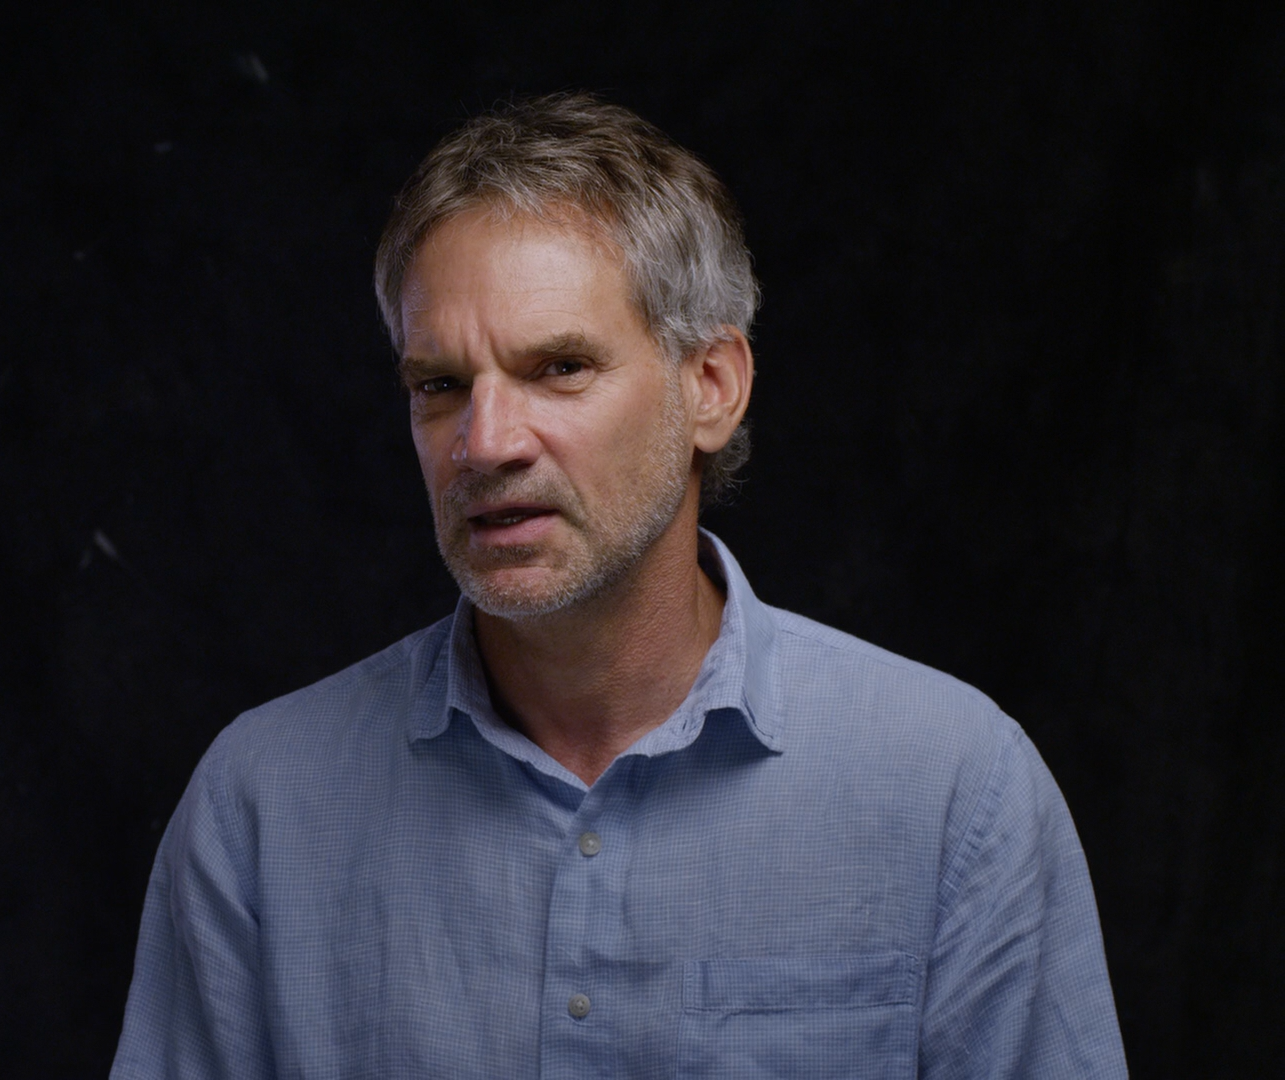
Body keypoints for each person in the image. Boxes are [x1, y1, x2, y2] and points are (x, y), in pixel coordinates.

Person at [111, 92, 1127, 1078]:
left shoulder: (951, 789)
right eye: (440, 385)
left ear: (712, 388)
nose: (485, 443)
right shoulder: (262, 805)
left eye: (559, 367)